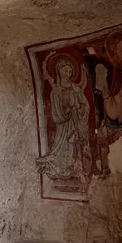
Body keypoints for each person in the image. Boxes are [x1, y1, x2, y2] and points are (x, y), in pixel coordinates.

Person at [35, 54, 92, 183]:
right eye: (65, 70)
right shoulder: (55, 91)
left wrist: (77, 106)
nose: (68, 73)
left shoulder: (76, 89)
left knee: (77, 145)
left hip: (76, 124)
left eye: (70, 71)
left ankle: (79, 168)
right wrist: (68, 108)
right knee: (61, 151)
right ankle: (65, 167)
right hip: (63, 127)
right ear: (58, 71)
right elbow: (56, 114)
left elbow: (85, 107)